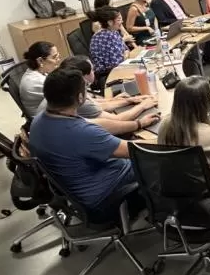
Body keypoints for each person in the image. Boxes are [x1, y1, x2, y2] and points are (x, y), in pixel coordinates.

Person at [27, 69, 156, 224]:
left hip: (80, 190)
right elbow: (137, 151)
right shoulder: (80, 133)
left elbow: (96, 124)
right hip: (107, 199)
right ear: (81, 97)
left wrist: (139, 123)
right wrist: (169, 137)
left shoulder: (40, 120)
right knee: (160, 159)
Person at [37, 55, 156, 129]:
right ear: (83, 76)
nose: (95, 72)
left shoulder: (64, 86)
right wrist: (142, 106)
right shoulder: (73, 98)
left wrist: (128, 100)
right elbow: (117, 120)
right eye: (92, 70)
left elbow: (95, 104)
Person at [150, 0, 210, 65]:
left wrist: (188, 15)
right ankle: (198, 59)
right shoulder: (156, 3)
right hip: (178, 26)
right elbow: (162, 20)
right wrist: (182, 21)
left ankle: (206, 55)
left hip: (187, 21)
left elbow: (181, 11)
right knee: (204, 32)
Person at [18, 41, 60, 117]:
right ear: (40, 60)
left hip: (50, 113)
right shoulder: (36, 81)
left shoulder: (39, 71)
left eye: (58, 56)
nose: (58, 60)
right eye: (54, 57)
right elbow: (66, 95)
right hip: (46, 120)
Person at [88, 7, 130, 78]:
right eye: (119, 19)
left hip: (115, 70)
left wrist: (125, 54)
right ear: (110, 22)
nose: (122, 21)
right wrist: (125, 55)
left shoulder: (113, 32)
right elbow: (118, 64)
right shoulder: (108, 36)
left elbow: (126, 49)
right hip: (108, 75)